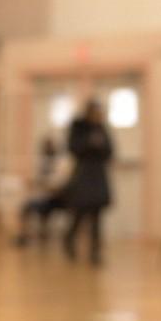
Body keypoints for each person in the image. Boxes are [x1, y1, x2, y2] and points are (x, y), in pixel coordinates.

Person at [62, 100, 113, 265]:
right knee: (80, 213)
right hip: (83, 175)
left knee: (97, 215)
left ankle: (95, 252)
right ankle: (69, 239)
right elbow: (72, 148)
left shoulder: (102, 129)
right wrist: (89, 143)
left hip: (98, 174)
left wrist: (100, 146)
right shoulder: (79, 127)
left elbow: (110, 151)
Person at [15, 137, 69, 246]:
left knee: (41, 206)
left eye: (50, 147)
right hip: (45, 197)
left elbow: (58, 184)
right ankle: (23, 235)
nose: (48, 150)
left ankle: (46, 234)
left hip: (60, 199)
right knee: (26, 207)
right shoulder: (42, 163)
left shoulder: (62, 163)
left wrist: (43, 184)